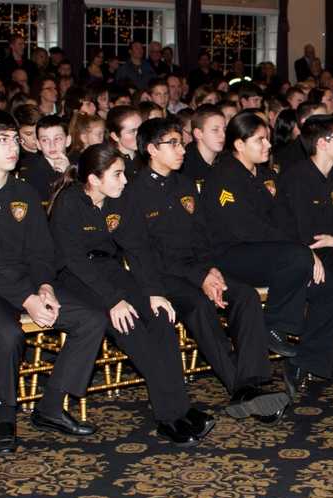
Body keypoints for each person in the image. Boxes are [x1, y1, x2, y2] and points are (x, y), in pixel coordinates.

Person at [0, 109, 107, 453]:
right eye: (2, 141)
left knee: (91, 318)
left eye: (15, 139)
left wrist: (44, 286)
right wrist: (27, 298)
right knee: (8, 332)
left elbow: (43, 250)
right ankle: (6, 414)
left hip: (25, 280)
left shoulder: (24, 191)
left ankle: (50, 407)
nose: (13, 147)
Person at [49, 142, 215, 445]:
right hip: (74, 279)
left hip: (109, 270)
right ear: (94, 180)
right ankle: (170, 417)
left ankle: (179, 409)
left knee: (160, 317)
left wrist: (154, 292)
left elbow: (139, 249)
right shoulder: (69, 203)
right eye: (117, 175)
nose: (125, 181)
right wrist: (114, 300)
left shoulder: (119, 200)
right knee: (133, 328)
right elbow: (72, 261)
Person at [129, 118, 290, 421]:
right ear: (151, 149)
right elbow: (149, 254)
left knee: (244, 296)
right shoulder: (135, 193)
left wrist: (212, 270)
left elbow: (204, 236)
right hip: (164, 277)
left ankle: (253, 381)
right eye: (173, 144)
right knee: (201, 306)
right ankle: (240, 387)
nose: (181, 150)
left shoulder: (185, 184)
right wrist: (200, 277)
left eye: (181, 142)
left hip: (200, 267)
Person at [202, 112, 333, 401]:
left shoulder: (266, 175)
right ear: (239, 145)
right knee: (296, 258)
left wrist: (302, 248)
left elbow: (284, 220)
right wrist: (300, 250)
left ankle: (306, 363)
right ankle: (275, 325)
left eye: (268, 138)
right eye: (260, 140)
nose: (268, 145)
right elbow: (244, 228)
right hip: (230, 256)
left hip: (269, 253)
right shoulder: (223, 176)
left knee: (331, 286)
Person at [276, 115, 333, 380]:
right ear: (322, 143)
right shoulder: (297, 178)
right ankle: (322, 358)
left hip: (330, 250)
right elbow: (301, 232)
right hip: (302, 255)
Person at [19, 115, 71, 206]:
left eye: (57, 139)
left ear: (68, 140)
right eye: (45, 140)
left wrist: (69, 171)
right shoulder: (32, 173)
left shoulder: (80, 166)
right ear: (38, 144)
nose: (52, 145)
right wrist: (65, 175)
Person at [181, 105, 225, 185]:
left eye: (224, 130)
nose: (223, 135)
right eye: (215, 130)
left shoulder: (228, 161)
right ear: (198, 133)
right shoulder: (184, 166)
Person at [106, 106, 142, 180]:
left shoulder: (148, 155)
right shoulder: (109, 164)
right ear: (115, 136)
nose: (139, 134)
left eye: (141, 128)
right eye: (132, 131)